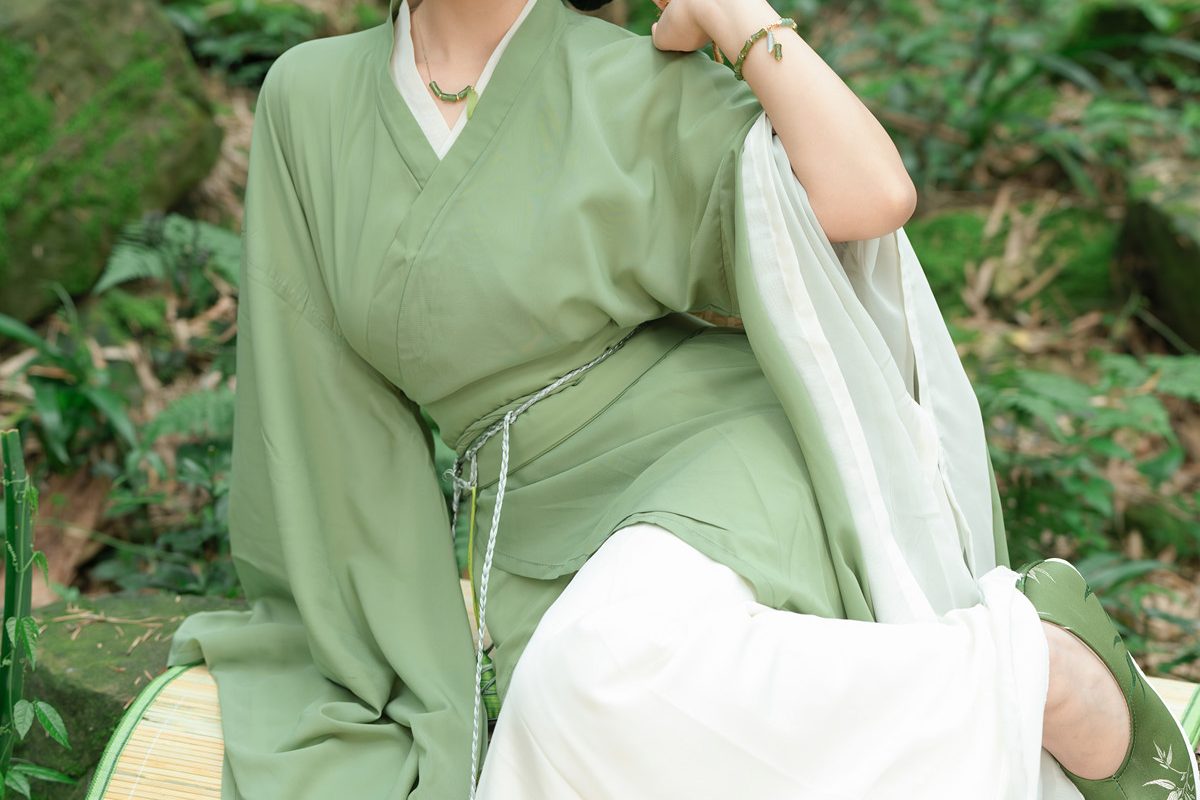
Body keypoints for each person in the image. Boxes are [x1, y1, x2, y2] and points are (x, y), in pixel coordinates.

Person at [165, 0, 1198, 798]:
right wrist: (383, 653)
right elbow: (321, 427)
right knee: (583, 738)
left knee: (597, 672)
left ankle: (1042, 673)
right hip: (526, 516)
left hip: (712, 453)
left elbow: (871, 197)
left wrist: (736, 14)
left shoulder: (627, 81)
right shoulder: (311, 99)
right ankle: (1001, 687)